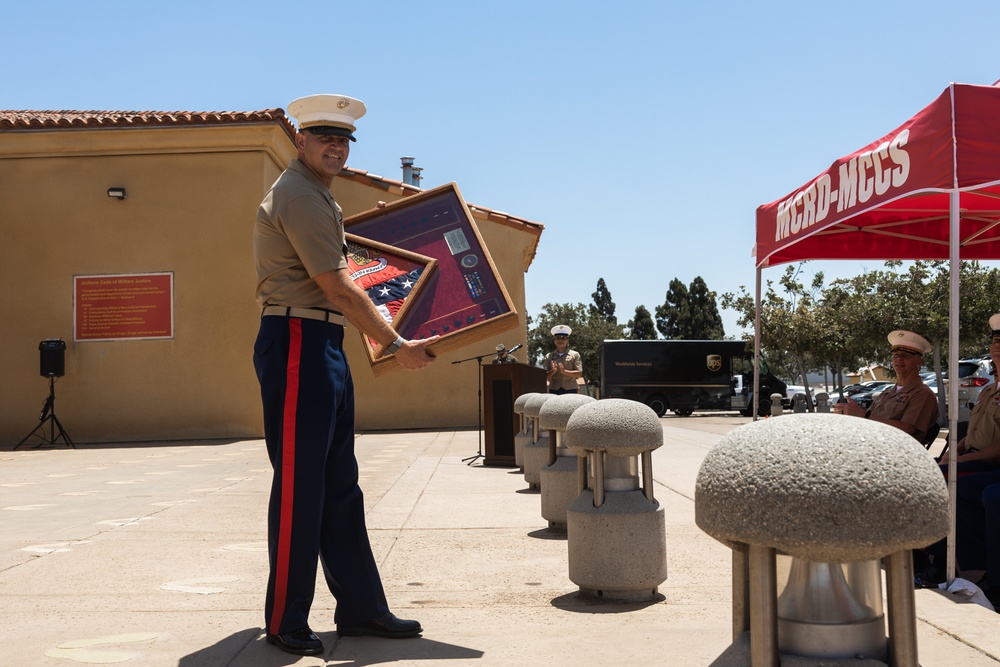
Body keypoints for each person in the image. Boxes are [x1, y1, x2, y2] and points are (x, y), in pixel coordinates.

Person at [253, 94, 439, 656]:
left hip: (322, 341)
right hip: (297, 343)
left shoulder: (319, 197)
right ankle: (285, 620)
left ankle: (360, 609)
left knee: (339, 486)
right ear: (301, 142)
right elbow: (336, 285)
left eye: (344, 140)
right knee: (300, 487)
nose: (336, 147)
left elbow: (342, 287)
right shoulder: (300, 196)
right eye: (324, 138)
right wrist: (396, 342)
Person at [833, 329, 939, 442]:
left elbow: (907, 431)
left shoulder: (922, 394)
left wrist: (863, 415)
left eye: (906, 356)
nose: (899, 359)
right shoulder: (887, 393)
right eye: (896, 355)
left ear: (918, 362)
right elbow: (870, 421)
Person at [941, 313, 1000, 475]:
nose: (998, 346)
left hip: (989, 466)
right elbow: (974, 434)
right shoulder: (987, 391)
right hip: (970, 457)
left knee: (936, 480)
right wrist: (952, 454)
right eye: (995, 341)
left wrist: (963, 460)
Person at [542, 325, 582, 394]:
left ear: (567, 341)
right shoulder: (549, 356)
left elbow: (579, 373)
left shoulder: (575, 354)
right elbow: (543, 377)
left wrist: (564, 372)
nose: (560, 340)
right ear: (554, 341)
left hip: (571, 389)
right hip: (554, 389)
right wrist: (553, 371)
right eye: (557, 338)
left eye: (563, 338)